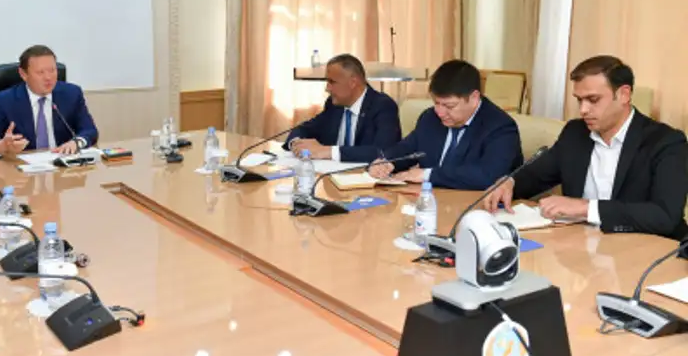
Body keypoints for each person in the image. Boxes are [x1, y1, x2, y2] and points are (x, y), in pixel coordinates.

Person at [483, 55, 688, 240]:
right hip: (583, 245)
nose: (583, 110)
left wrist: (586, 208)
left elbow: (665, 215)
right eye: (579, 100)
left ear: (624, 95)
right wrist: (509, 183)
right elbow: (536, 176)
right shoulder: (575, 133)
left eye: (593, 100)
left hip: (645, 249)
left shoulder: (666, 142)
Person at [369, 59, 522, 190]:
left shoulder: (500, 127)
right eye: (436, 103)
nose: (440, 112)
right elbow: (409, 148)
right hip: (429, 200)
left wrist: (427, 175)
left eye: (449, 106)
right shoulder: (430, 118)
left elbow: (489, 176)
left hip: (475, 206)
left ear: (474, 98)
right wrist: (387, 162)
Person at [0, 45, 99, 158]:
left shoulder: (71, 94)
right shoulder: (4, 101)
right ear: (23, 74)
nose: (48, 77)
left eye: (52, 70)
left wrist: (77, 142)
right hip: (22, 171)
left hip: (63, 168)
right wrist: (2, 146)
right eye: (40, 72)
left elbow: (90, 131)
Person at [282, 54, 401, 163]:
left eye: (332, 82)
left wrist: (328, 151)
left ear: (353, 82)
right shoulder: (334, 105)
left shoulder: (383, 106)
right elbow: (305, 128)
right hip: (331, 175)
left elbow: (383, 151)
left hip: (366, 176)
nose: (327, 88)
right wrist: (297, 144)